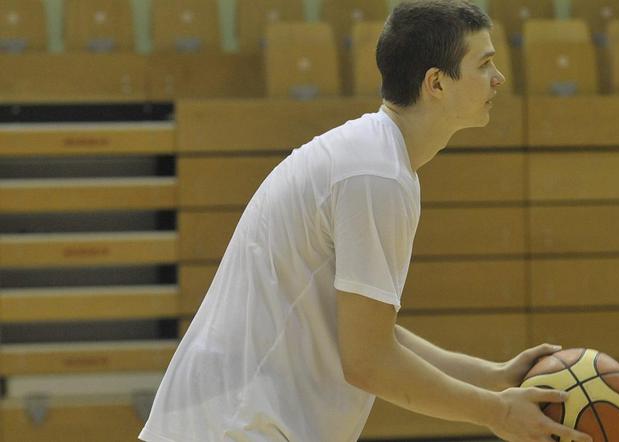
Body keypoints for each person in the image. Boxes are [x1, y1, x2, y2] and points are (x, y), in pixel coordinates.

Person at [140, 1, 592, 441]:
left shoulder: (377, 160)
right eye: (484, 64)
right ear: (436, 83)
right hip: (237, 424)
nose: (499, 78)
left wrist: (490, 376)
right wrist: (496, 412)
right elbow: (370, 362)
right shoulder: (376, 175)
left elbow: (367, 331)